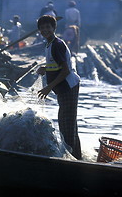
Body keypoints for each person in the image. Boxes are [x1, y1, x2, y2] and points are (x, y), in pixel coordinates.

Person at [36, 15, 81, 160]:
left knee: (66, 125)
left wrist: (49, 87)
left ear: (54, 28)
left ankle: (72, 160)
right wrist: (45, 69)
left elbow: (66, 70)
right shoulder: (49, 44)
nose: (45, 30)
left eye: (48, 27)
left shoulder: (57, 44)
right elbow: (56, 66)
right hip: (63, 89)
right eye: (42, 28)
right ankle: (76, 156)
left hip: (69, 87)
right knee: (68, 123)